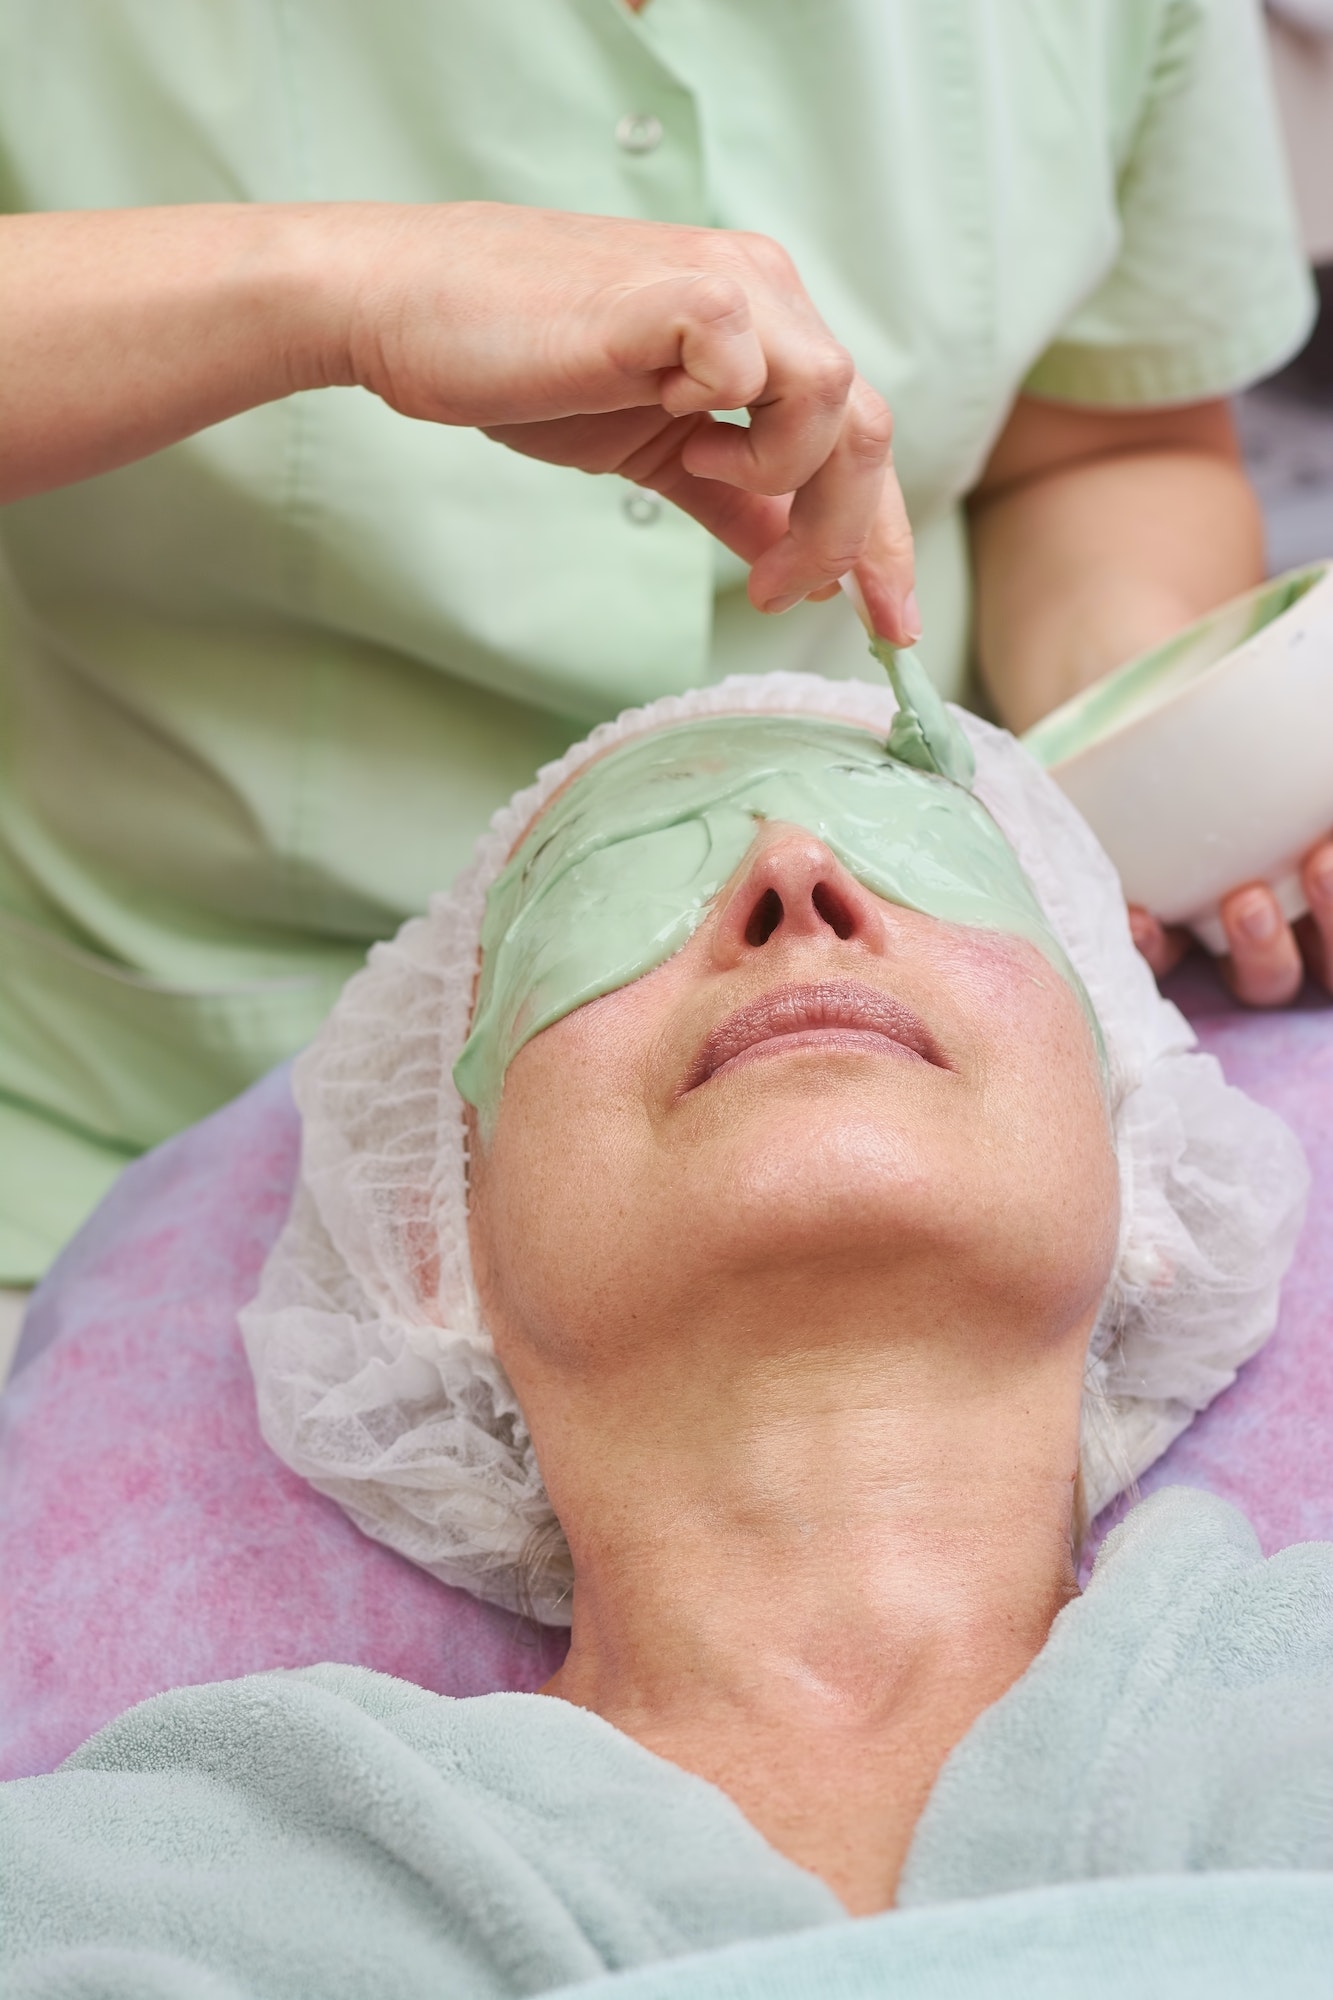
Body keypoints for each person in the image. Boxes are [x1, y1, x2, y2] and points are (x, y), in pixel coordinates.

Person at [0, 671, 1322, 1994]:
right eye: (611, 881)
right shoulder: (156, 1897)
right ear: (431, 1247)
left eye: (929, 846)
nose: (796, 871)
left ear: (1133, 1153)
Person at [2, 1, 1333, 1299]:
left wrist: (1173, 768)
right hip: (132, 1091)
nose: (791, 878)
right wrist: (329, 290)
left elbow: (1102, 446)